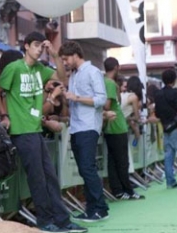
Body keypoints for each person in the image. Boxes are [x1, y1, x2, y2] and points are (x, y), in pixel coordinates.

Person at [0, 32, 84, 233]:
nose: (39, 49)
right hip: (21, 131)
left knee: (49, 177)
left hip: (35, 129)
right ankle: (45, 221)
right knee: (38, 178)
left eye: (41, 47)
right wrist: (5, 115)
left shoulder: (40, 70)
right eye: (36, 45)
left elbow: (62, 79)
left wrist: (54, 55)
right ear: (26, 46)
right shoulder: (14, 68)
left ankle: (62, 220)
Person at [59, 41, 109, 222]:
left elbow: (101, 99)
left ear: (75, 55)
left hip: (89, 126)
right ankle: (92, 208)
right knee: (84, 169)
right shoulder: (73, 75)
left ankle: (100, 208)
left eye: (66, 59)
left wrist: (77, 97)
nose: (64, 62)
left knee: (88, 168)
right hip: (76, 126)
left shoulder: (92, 72)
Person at [103, 58, 141, 200]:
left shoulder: (105, 82)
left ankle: (118, 190)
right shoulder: (110, 83)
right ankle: (128, 190)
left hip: (111, 127)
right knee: (122, 161)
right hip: (117, 126)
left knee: (113, 161)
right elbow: (108, 105)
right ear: (116, 67)